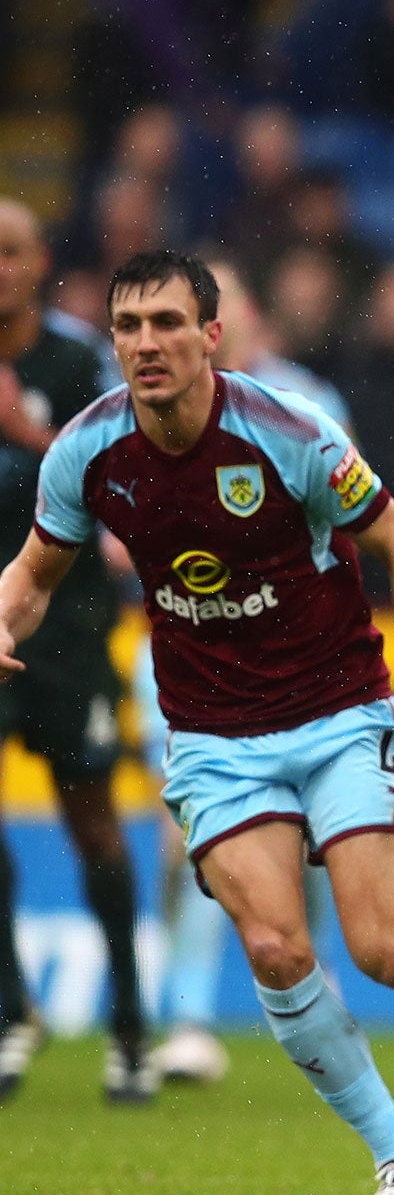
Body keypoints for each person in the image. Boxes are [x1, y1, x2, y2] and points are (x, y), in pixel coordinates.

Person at [0, 250, 394, 1195]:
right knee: (273, 947)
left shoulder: (285, 430)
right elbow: (33, 573)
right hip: (214, 737)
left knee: (388, 951)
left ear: (211, 336)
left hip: (340, 710)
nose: (147, 345)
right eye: (129, 327)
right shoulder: (86, 452)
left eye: (168, 324)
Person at [144, 254, 353, 1085]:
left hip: (298, 652)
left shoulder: (308, 404)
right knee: (193, 838)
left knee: (312, 836)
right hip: (188, 642)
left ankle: (322, 980)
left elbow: (347, 517)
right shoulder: (145, 415)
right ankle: (188, 1017)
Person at [0, 198, 153, 1104]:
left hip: (70, 625)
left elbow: (131, 468)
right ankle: (13, 1009)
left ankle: (129, 1023)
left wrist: (27, 432)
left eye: (9, 252)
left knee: (90, 819)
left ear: (37, 263)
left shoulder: (82, 365)